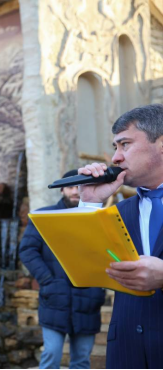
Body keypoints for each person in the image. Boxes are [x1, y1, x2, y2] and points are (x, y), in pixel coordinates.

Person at [78, 104, 163, 369]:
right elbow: (83, 268)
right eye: (115, 147)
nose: (115, 158)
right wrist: (90, 203)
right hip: (126, 351)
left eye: (124, 144)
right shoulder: (118, 212)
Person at [19, 171, 106, 369]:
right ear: (62, 190)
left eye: (79, 187)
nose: (75, 191)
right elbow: (27, 250)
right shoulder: (44, 216)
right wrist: (48, 280)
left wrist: (97, 285)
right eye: (71, 187)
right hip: (55, 297)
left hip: (88, 298)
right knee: (51, 354)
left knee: (82, 359)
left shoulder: (98, 218)